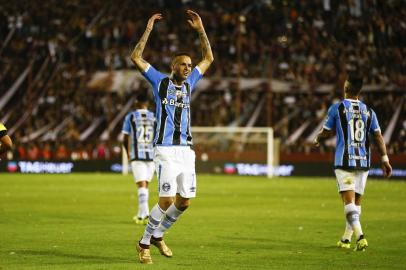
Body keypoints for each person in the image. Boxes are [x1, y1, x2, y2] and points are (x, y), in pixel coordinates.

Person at [130, 10, 214, 264]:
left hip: (186, 150)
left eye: (190, 65)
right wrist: (148, 30)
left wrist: (200, 30)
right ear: (173, 67)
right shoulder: (159, 81)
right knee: (166, 199)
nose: (188, 68)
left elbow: (208, 57)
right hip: (165, 149)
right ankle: (144, 243)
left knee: (184, 201)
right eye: (183, 64)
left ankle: (159, 235)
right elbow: (136, 56)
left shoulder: (191, 83)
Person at [314, 74, 392, 251]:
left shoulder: (337, 108)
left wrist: (318, 137)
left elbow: (326, 132)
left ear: (346, 88)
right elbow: (378, 136)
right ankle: (346, 239)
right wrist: (385, 159)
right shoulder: (369, 111)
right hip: (364, 161)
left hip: (344, 161)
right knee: (356, 203)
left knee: (348, 202)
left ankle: (361, 237)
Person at [122, 91, 156, 225]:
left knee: (141, 185)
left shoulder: (130, 117)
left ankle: (145, 214)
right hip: (152, 155)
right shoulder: (154, 117)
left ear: (136, 103)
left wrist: (127, 152)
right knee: (145, 185)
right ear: (147, 103)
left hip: (137, 155)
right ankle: (142, 214)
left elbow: (125, 137)